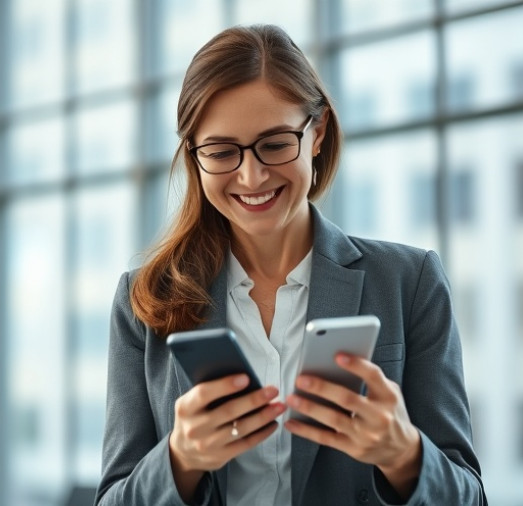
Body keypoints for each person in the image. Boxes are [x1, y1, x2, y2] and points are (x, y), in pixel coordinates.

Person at [95, 24, 485, 506]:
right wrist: (180, 459)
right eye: (221, 152)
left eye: (275, 144)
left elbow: (470, 496)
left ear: (316, 134)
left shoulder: (410, 283)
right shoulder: (143, 302)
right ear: (194, 156)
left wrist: (404, 454)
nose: (251, 175)